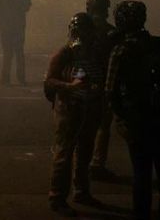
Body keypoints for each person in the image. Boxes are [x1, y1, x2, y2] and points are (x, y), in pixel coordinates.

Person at [108, 1, 160, 220]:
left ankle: (142, 214)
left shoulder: (121, 50)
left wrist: (122, 117)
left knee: (141, 173)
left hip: (136, 121)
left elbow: (111, 90)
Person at [45, 13, 104, 217]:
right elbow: (50, 81)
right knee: (64, 153)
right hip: (69, 108)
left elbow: (90, 75)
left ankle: (81, 191)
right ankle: (57, 197)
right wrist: (69, 87)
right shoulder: (64, 53)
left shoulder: (92, 53)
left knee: (85, 151)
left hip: (88, 107)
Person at [86, 0, 119, 180]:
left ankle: (82, 163)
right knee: (103, 126)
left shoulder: (81, 28)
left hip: (84, 82)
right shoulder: (110, 32)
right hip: (104, 83)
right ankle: (97, 164)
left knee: (83, 126)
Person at [0, 0, 32, 85]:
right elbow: (27, 7)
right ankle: (21, 78)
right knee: (19, 52)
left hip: (6, 25)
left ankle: (5, 78)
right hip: (19, 25)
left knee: (7, 53)